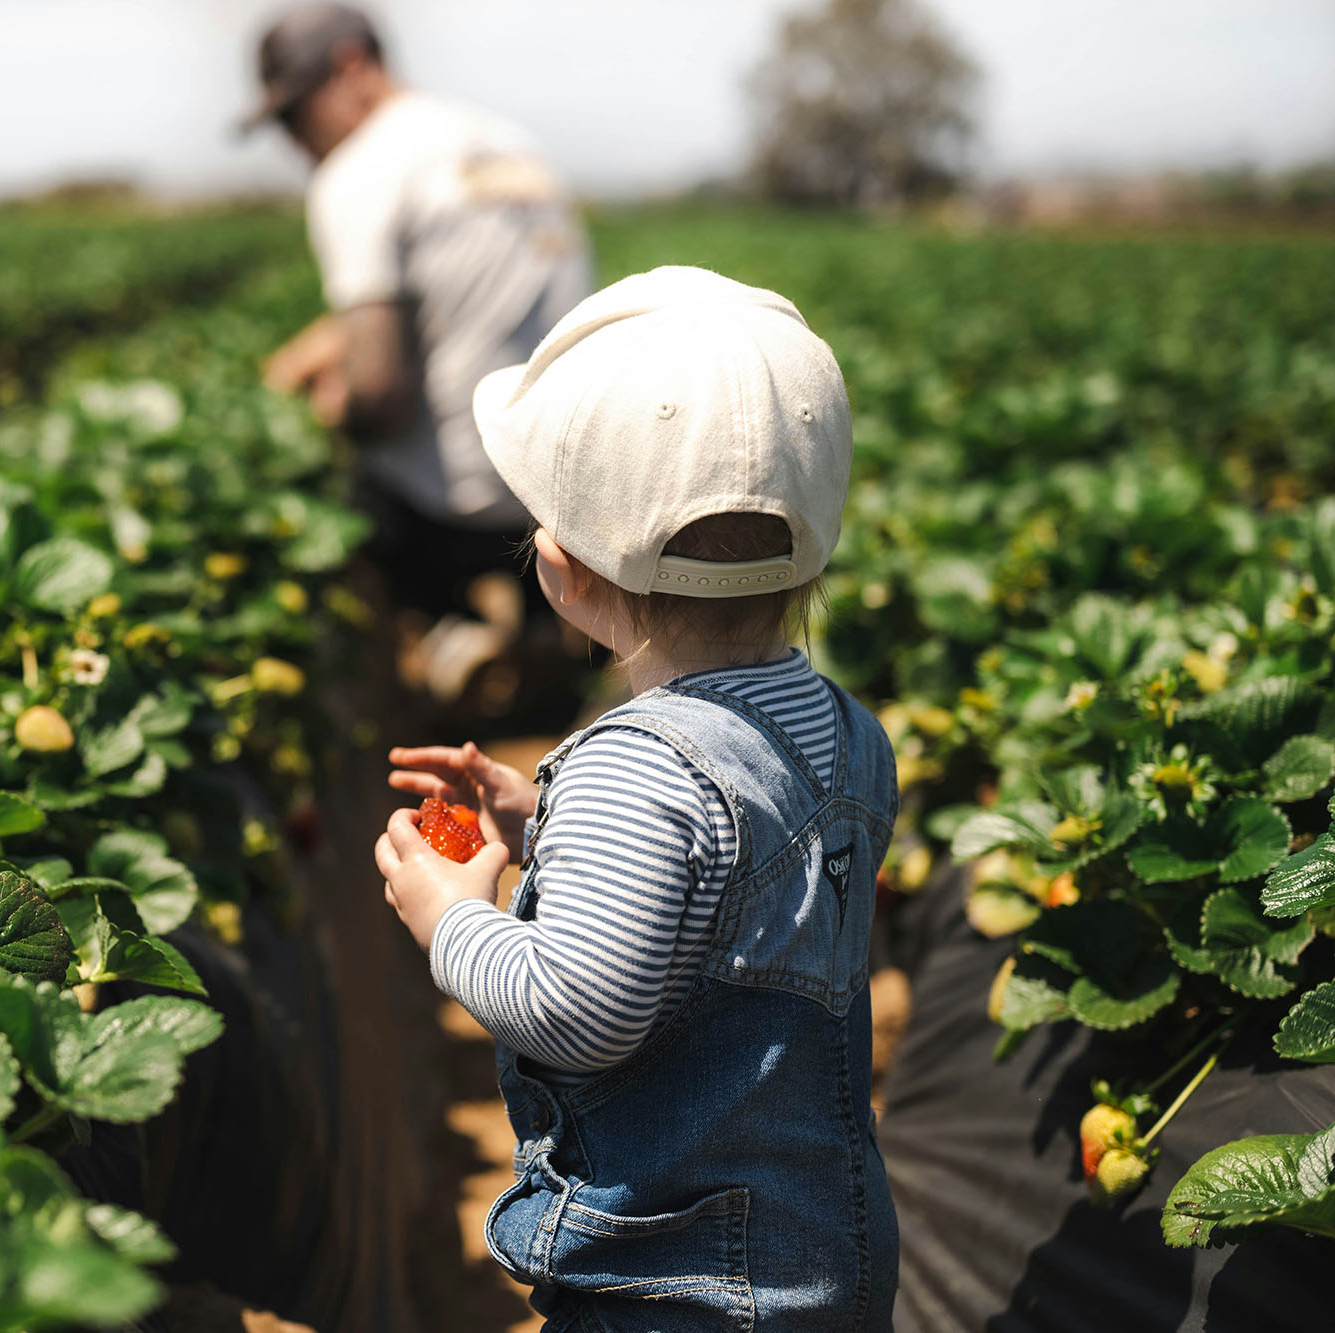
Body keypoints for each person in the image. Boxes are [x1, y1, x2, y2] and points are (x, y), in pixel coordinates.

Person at [373, 267, 899, 1331]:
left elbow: (575, 1011)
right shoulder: (847, 731)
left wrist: (450, 916)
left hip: (673, 1282)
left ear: (561, 573)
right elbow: (734, 885)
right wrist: (548, 827)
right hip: (818, 1254)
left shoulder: (640, 769)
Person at [240, 4, 593, 714]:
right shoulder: (503, 142)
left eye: (293, 115)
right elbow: (465, 296)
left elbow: (381, 393)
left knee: (331, 473)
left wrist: (322, 410)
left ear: (348, 67)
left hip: (451, 507)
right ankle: (541, 631)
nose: (293, 141)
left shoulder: (360, 170)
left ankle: (435, 639)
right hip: (559, 486)